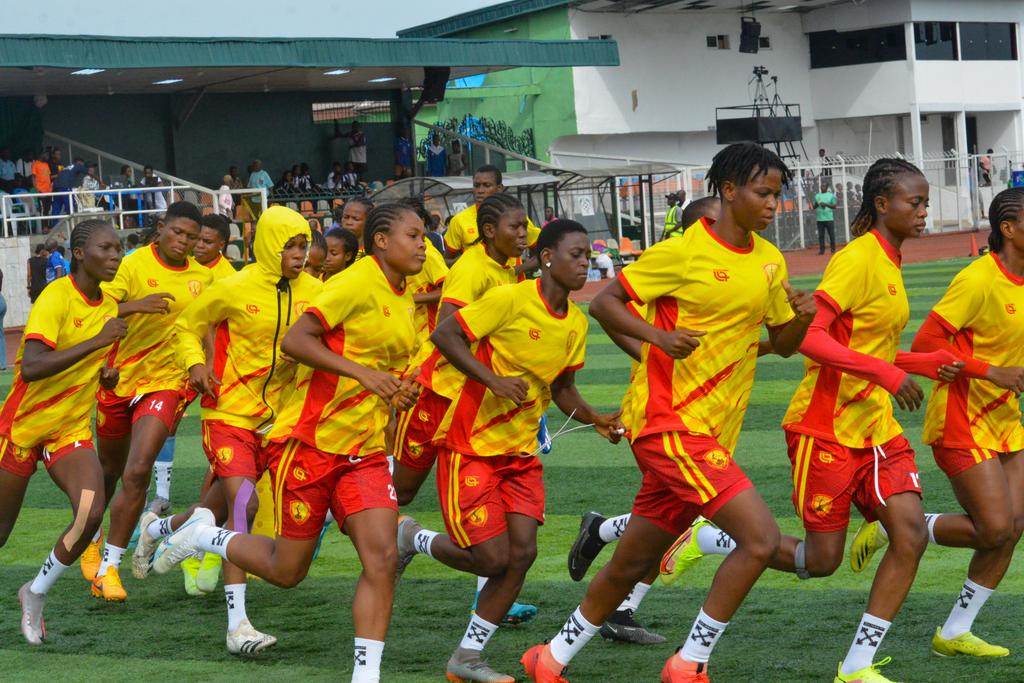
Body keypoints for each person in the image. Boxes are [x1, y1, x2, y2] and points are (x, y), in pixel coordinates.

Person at [521, 143, 817, 683]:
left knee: (631, 563)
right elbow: (606, 302)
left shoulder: (770, 261)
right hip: (669, 423)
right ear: (728, 191)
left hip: (711, 430)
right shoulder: (682, 252)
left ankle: (550, 658)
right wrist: (659, 338)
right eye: (763, 192)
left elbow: (786, 343)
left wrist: (802, 315)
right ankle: (689, 664)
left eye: (778, 193)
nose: (774, 203)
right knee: (760, 539)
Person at [666, 158, 964, 683]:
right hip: (824, 428)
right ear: (882, 205)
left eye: (924, 203)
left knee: (911, 534)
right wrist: (886, 373)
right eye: (914, 203)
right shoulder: (858, 260)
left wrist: (930, 365)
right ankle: (710, 539)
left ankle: (856, 666)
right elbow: (812, 337)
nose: (923, 212)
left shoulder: (889, 261)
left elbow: (871, 347)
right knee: (821, 560)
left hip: (876, 429)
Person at [151, 203, 426, 683]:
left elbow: (380, 361)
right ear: (382, 240)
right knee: (286, 570)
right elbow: (297, 342)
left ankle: (367, 677)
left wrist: (399, 389)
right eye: (414, 235)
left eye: (305, 246)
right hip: (303, 439)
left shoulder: (398, 295)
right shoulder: (350, 285)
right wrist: (366, 376)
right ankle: (206, 537)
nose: (424, 244)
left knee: (381, 560)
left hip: (360, 451)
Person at [397, 218, 622, 682]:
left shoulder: (576, 324)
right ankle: (413, 538)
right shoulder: (509, 299)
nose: (584, 263)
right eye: (575, 255)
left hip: (519, 455)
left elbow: (562, 388)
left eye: (587, 256)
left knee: (521, 555)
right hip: (471, 446)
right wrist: (492, 380)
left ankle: (466, 658)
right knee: (492, 560)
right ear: (546, 258)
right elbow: (446, 334)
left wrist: (595, 417)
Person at [135, 206, 321, 654]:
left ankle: (158, 529)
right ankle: (238, 626)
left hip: (282, 423)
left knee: (211, 515)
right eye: (289, 247)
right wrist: (196, 363)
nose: (298, 255)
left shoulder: (318, 292)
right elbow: (185, 327)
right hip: (229, 416)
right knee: (244, 504)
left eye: (303, 247)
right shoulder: (233, 288)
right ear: (267, 246)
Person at [853, 187, 1024, 660]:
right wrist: (990, 371)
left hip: (1005, 417)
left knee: (1014, 526)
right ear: (1008, 229)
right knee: (994, 529)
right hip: (961, 416)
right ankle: (899, 527)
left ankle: (955, 631)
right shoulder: (978, 279)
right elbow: (928, 345)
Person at [4, 219, 127, 645]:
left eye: (120, 249)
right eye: (107, 249)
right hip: (22, 429)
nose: (116, 256)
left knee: (91, 513)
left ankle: (35, 592)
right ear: (79, 253)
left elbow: (89, 364)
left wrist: (105, 377)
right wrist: (97, 343)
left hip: (70, 432)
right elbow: (34, 367)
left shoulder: (109, 305)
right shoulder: (55, 297)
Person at [84, 201, 212, 602]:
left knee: (137, 471)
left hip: (166, 383)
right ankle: (92, 535)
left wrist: (206, 366)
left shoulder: (202, 277)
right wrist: (138, 305)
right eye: (178, 233)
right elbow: (96, 313)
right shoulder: (132, 265)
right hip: (118, 379)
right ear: (161, 228)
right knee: (109, 470)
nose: (185, 242)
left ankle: (110, 568)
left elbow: (207, 326)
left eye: (192, 237)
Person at [444, 165, 540, 268]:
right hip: (478, 283)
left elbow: (542, 253)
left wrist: (517, 271)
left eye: (487, 185)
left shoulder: (516, 219)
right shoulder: (459, 221)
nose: (480, 190)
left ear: (499, 188)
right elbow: (445, 262)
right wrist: (467, 260)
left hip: (514, 283)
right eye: (476, 185)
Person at [194, 214, 237, 280]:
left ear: (221, 245)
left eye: (207, 242)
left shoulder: (229, 278)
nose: (200, 245)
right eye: (196, 238)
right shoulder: (184, 262)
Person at [814, 179, 838, 255]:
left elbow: (834, 206)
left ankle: (833, 249)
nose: (822, 187)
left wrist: (826, 204)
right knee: (821, 236)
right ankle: (822, 250)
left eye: (824, 186)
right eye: (821, 186)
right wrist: (818, 204)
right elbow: (814, 206)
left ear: (827, 187)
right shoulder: (817, 196)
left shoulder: (831, 195)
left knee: (831, 234)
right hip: (819, 219)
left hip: (829, 218)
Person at [31, 151, 52, 218]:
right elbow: (33, 178)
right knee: (43, 210)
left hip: (49, 190)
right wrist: (37, 190)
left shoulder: (46, 164)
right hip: (41, 191)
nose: (48, 157)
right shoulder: (35, 164)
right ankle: (44, 227)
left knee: (47, 209)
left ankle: (47, 226)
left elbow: (48, 176)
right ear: (42, 155)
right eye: (47, 155)